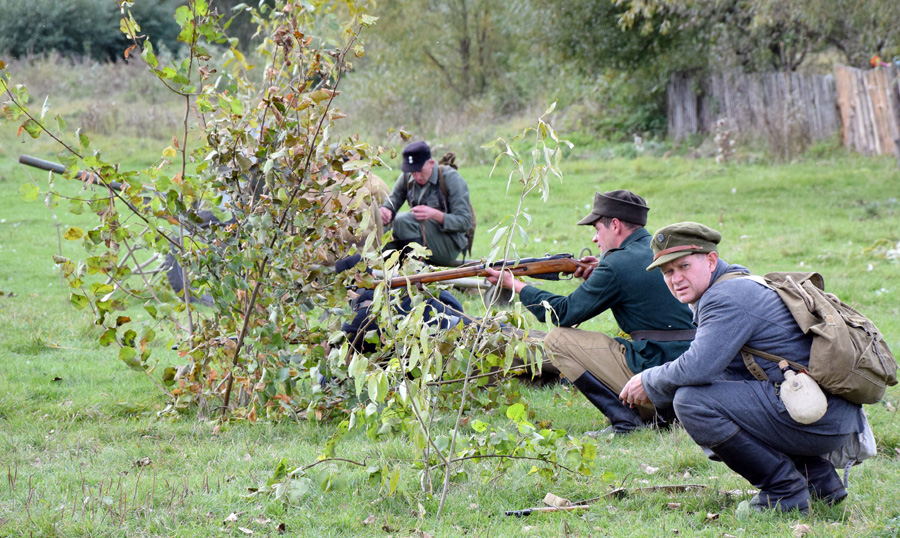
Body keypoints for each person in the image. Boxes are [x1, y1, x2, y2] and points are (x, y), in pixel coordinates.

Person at [620, 222, 864, 513]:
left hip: (819, 414)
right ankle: (819, 481)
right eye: (667, 272)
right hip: (820, 410)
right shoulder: (732, 284)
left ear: (711, 260)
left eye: (683, 266)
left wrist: (648, 380)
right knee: (717, 385)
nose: (676, 279)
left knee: (692, 401)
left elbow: (697, 368)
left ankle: (783, 492)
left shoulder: (726, 296)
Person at [484, 190, 696, 435]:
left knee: (557, 339)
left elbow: (562, 314)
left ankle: (626, 422)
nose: (595, 239)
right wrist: (602, 270)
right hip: (685, 368)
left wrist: (517, 286)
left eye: (597, 229)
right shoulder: (660, 251)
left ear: (615, 225)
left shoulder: (617, 264)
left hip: (656, 370)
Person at [380, 141, 473, 266]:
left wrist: (435, 215)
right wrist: (386, 210)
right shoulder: (408, 175)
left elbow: (465, 222)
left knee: (403, 221)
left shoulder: (451, 179)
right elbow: (394, 199)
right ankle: (390, 277)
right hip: (417, 237)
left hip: (448, 244)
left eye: (420, 171)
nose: (417, 176)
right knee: (385, 233)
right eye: (413, 172)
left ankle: (417, 274)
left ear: (431, 163)